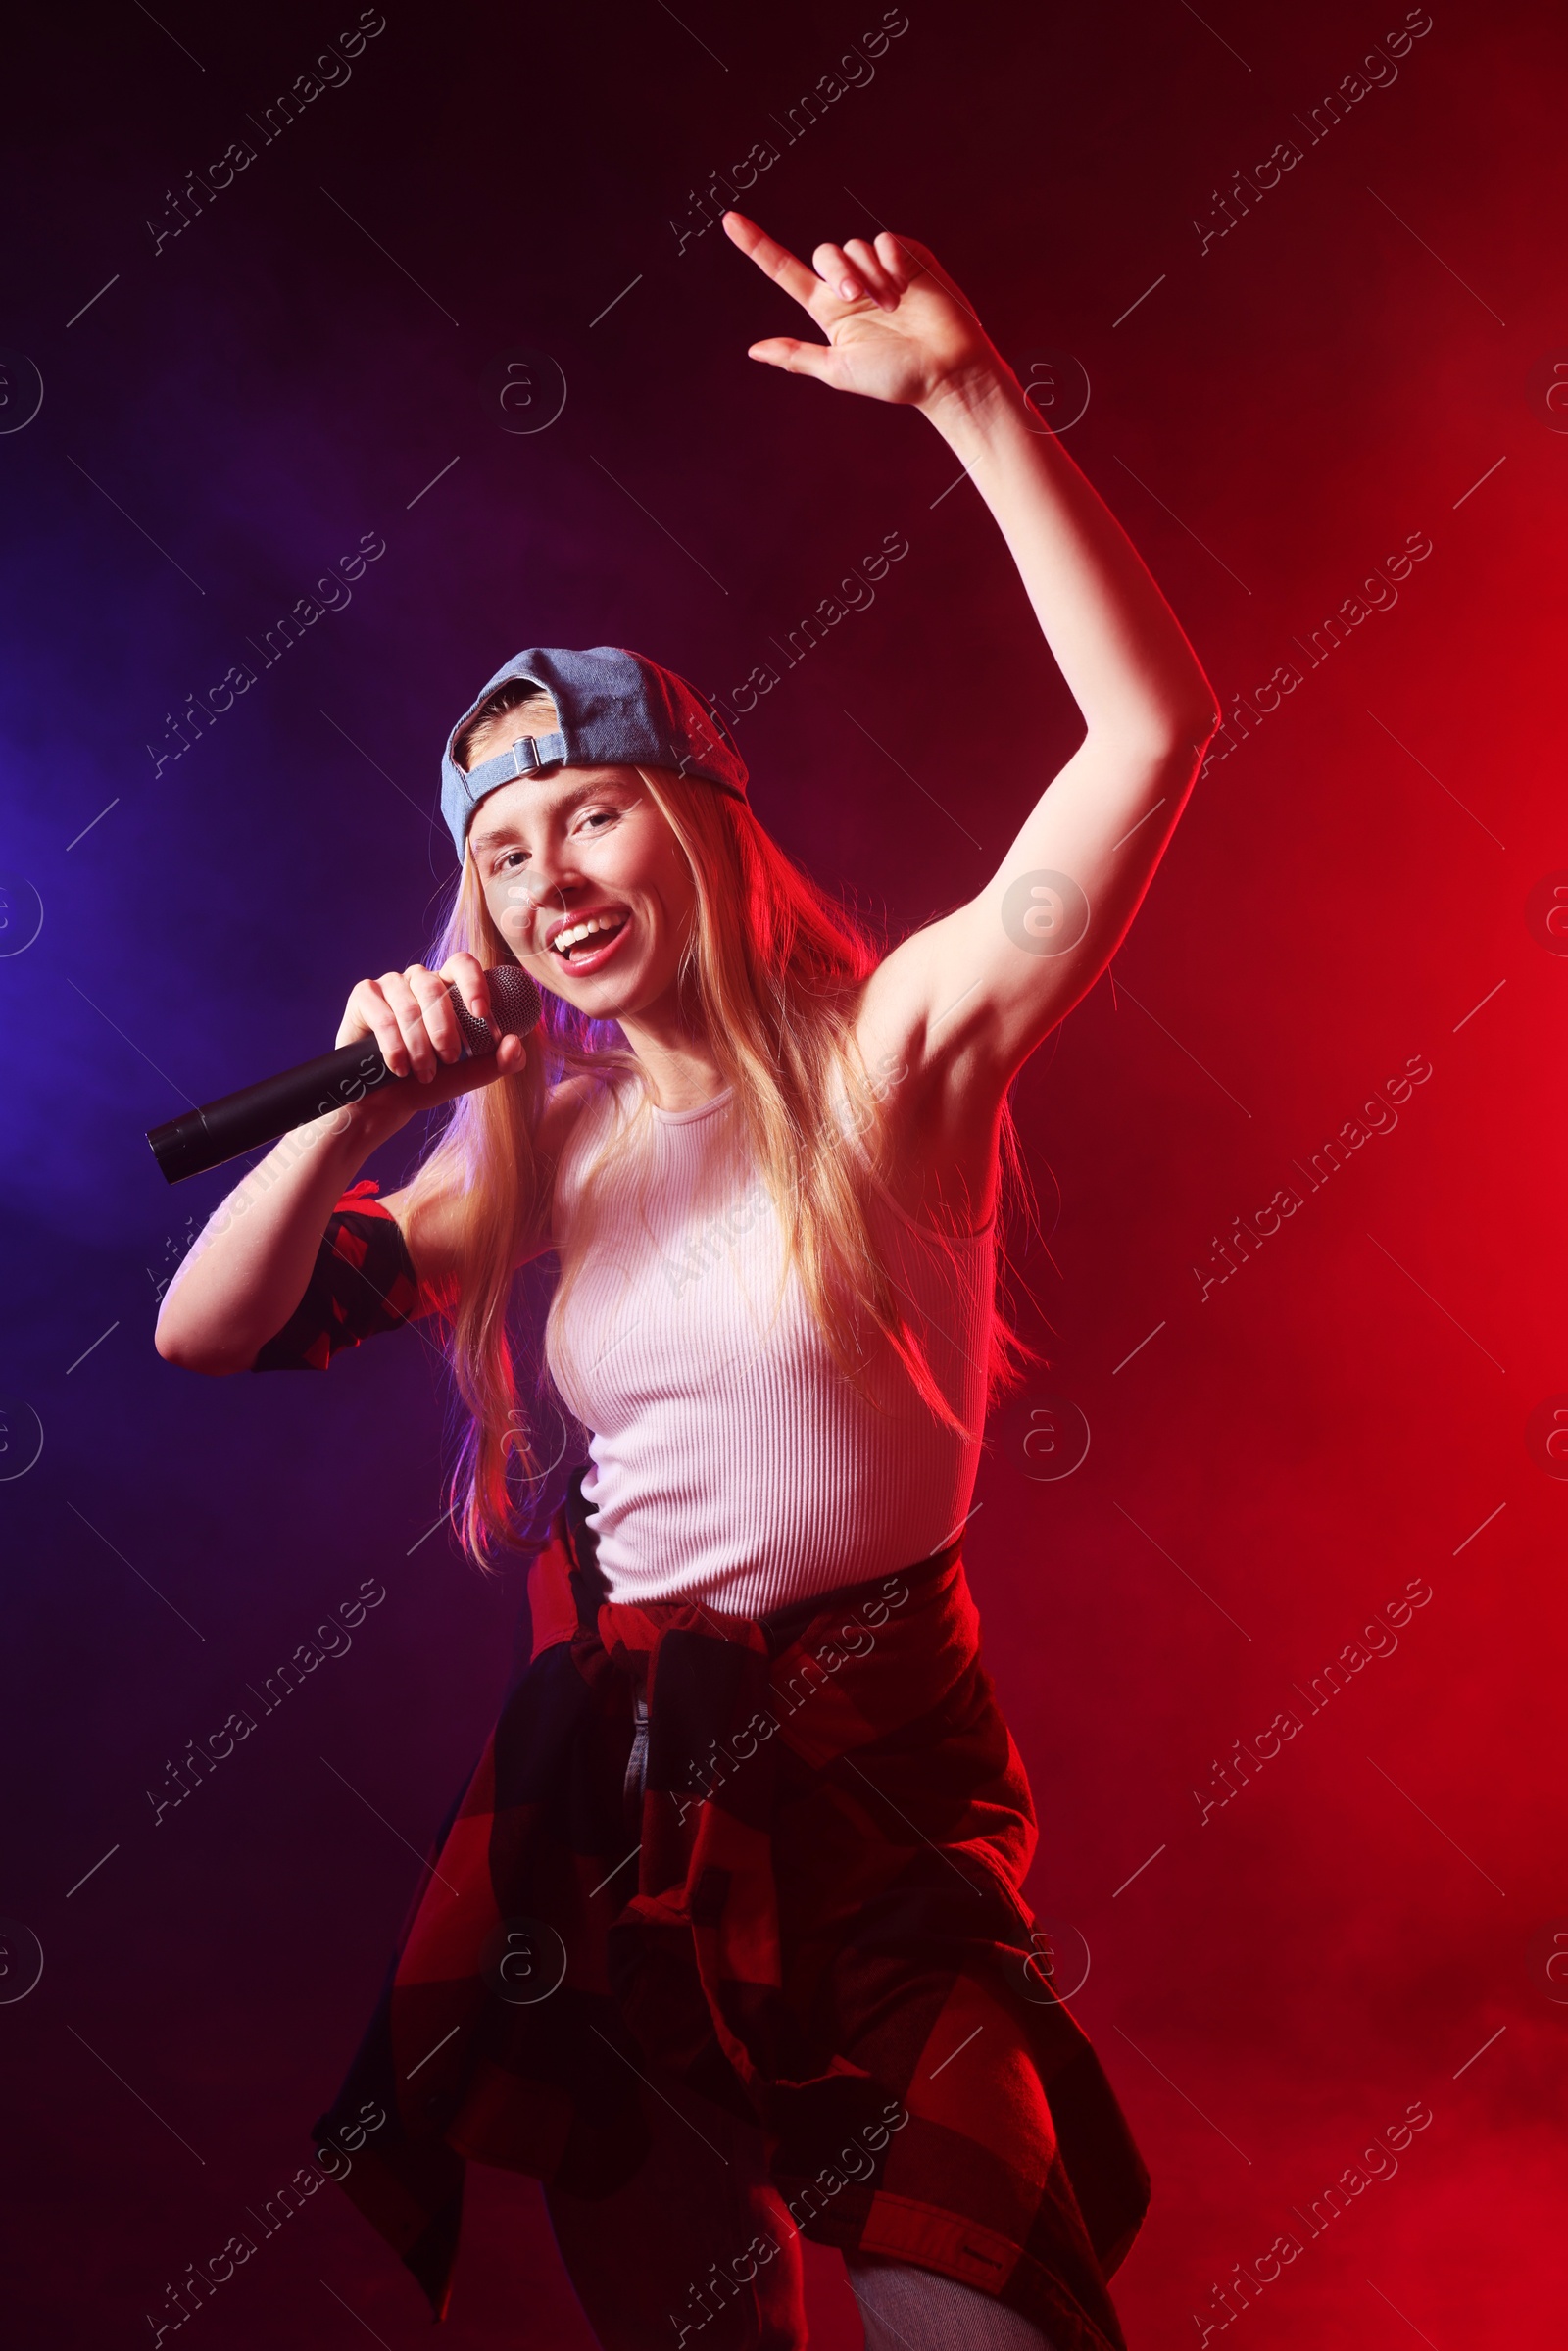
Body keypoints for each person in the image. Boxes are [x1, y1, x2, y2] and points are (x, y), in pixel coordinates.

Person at [156, 214, 1218, 2351]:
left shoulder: (898, 1060)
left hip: (882, 1797)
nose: (550, 880)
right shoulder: (532, 1144)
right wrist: (354, 1116)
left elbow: (1149, 738)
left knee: (978, 2313)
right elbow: (218, 1324)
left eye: (589, 816)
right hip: (612, 1806)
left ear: (701, 820)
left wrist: (965, 403)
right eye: (501, 856)